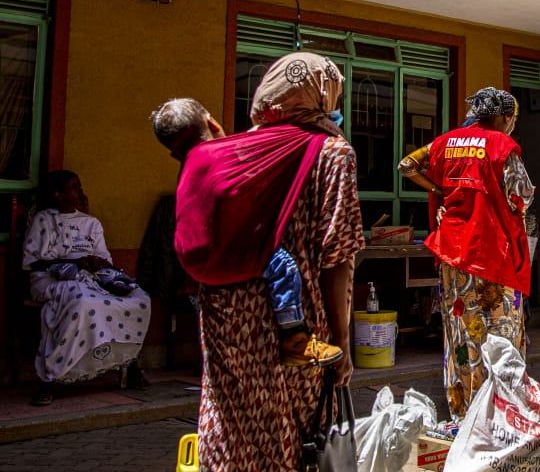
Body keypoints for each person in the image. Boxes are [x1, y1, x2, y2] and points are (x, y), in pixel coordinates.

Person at [191, 52, 361, 472]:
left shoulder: (227, 151)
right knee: (291, 449)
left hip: (225, 326)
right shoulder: (332, 154)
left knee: (232, 440)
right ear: (319, 94)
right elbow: (338, 261)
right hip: (294, 330)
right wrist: (341, 346)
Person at [152, 97, 343, 367]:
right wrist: (317, 127)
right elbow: (272, 148)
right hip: (230, 257)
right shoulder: (220, 152)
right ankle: (295, 337)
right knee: (284, 266)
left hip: (194, 266)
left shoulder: (187, 166)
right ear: (212, 122)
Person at [424, 87, 535, 419]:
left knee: (459, 332)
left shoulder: (445, 143)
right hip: (491, 254)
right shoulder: (503, 145)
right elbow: (522, 196)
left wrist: (442, 193)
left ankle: (463, 413)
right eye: (511, 117)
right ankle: (498, 413)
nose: (512, 123)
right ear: (502, 117)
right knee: (500, 333)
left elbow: (407, 165)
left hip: (452, 253)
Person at [22, 170, 152, 405]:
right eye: (75, 187)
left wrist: (94, 262)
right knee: (83, 302)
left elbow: (105, 259)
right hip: (52, 278)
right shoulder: (45, 219)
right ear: (58, 194)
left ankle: (128, 362)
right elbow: (33, 262)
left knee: (138, 299)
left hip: (91, 277)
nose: (82, 192)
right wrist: (72, 262)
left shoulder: (91, 223)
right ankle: (50, 378)